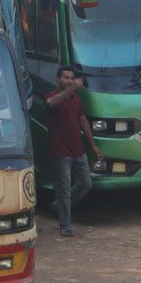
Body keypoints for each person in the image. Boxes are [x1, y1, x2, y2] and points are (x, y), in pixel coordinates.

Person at [45, 66, 103, 238]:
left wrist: (93, 145)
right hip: (60, 151)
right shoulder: (52, 97)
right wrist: (71, 89)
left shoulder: (76, 99)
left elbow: (83, 120)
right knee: (63, 189)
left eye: (72, 78)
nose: (69, 81)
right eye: (66, 78)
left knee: (86, 183)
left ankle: (59, 206)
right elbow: (50, 104)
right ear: (58, 79)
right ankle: (65, 225)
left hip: (78, 149)